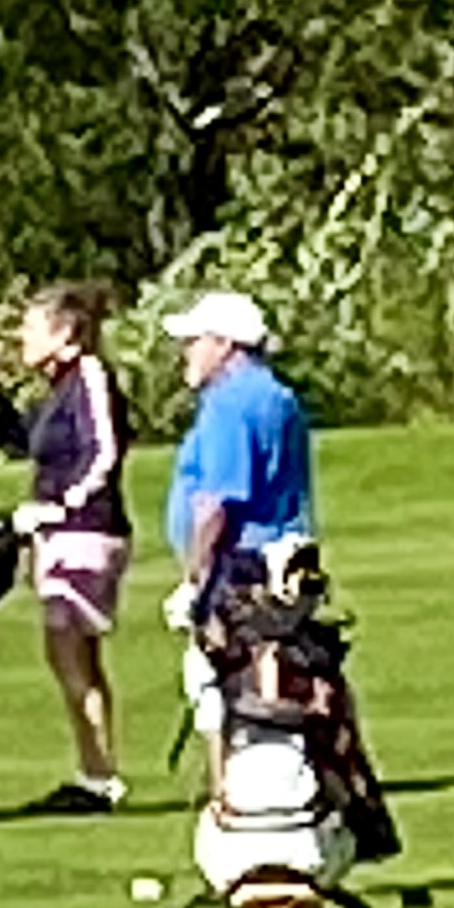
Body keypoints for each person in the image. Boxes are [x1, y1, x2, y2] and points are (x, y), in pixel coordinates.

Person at [0, 284, 135, 815]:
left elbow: (104, 452)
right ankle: (96, 772)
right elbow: (27, 442)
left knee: (69, 649)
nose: (22, 338)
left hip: (85, 530)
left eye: (31, 328)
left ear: (65, 332)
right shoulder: (57, 386)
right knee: (72, 654)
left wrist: (60, 507)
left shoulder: (88, 375)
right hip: (61, 532)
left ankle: (99, 777)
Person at [156, 289, 315, 788]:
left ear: (224, 344)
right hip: (285, 560)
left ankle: (234, 798)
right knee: (269, 675)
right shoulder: (278, 396)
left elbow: (217, 504)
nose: (187, 353)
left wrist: (193, 579)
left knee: (221, 686)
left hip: (239, 565)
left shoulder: (227, 404)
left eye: (194, 341)